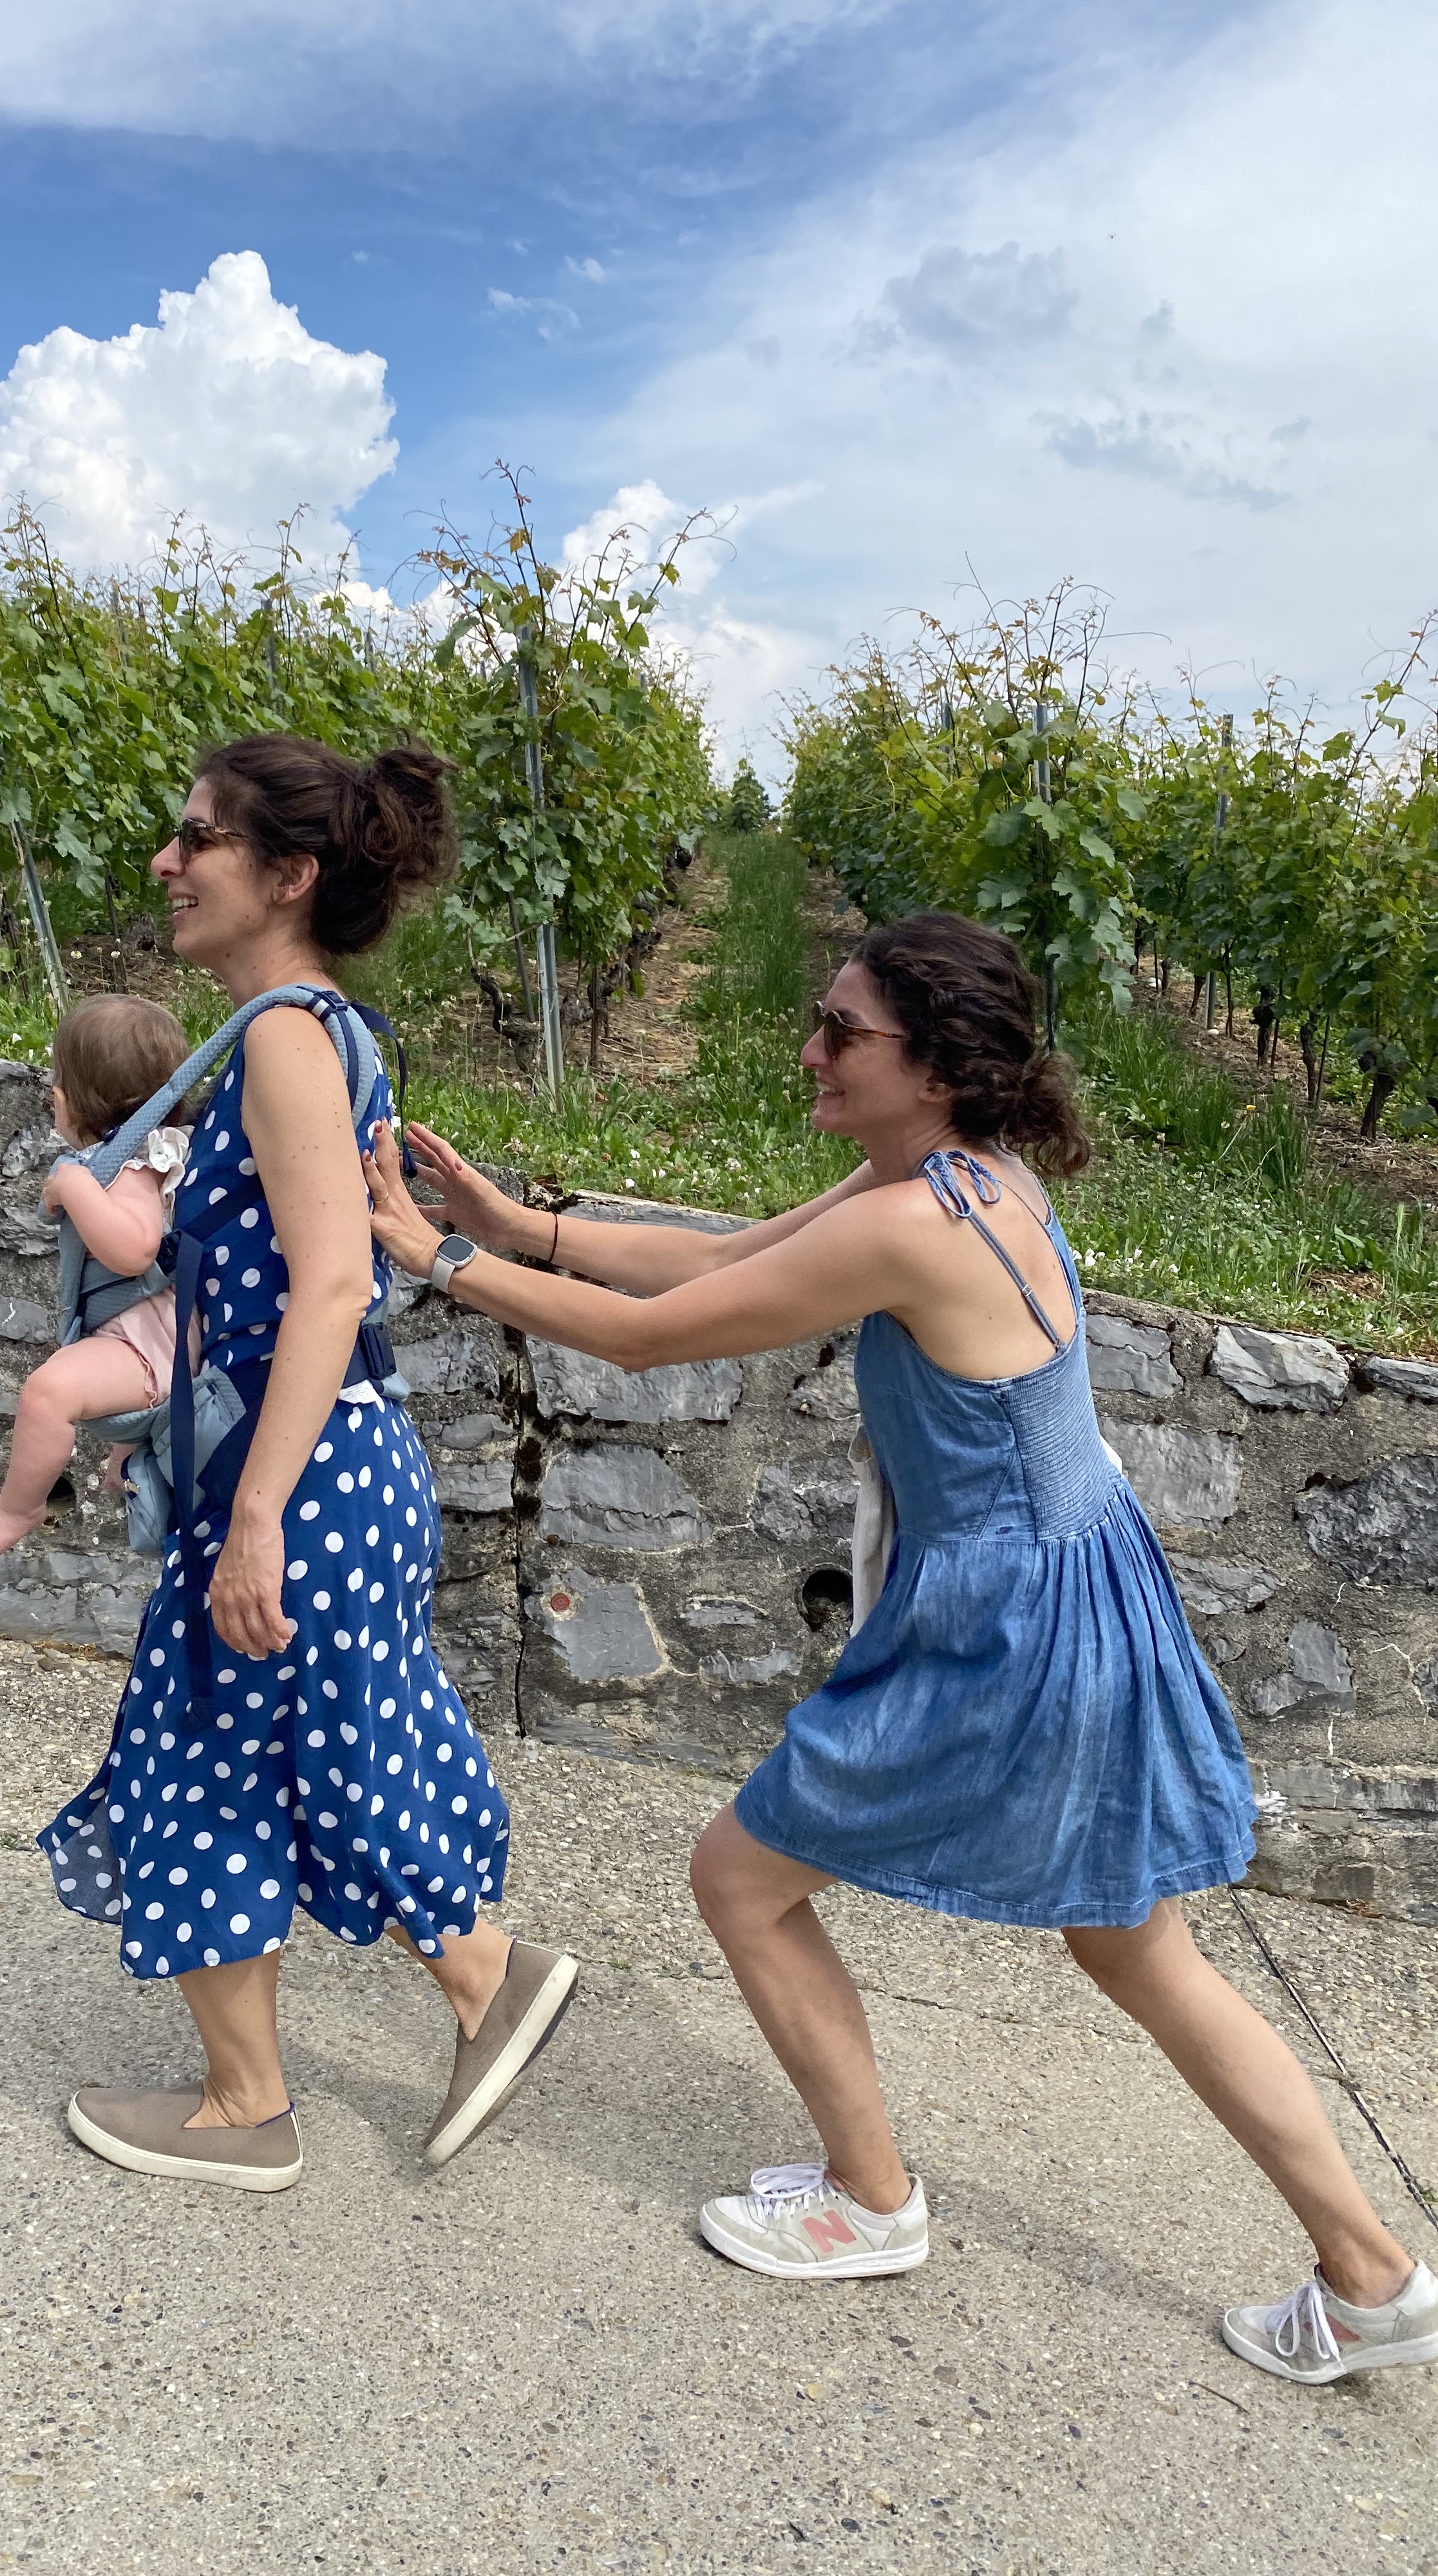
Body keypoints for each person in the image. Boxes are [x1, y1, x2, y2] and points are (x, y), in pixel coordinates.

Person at [361, 910, 1435, 2386]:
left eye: (840, 1032)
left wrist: (431, 1257)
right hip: (1084, 1595)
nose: (809, 1048)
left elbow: (653, 1339)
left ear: (935, 1063)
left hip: (1004, 1631)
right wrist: (515, 1227)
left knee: (740, 1877)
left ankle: (872, 2203)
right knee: (1140, 1949)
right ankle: (1372, 2275)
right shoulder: (964, 1179)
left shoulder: (910, 1221)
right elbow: (722, 1255)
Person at [41, 736, 578, 2192]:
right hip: (311, 1463)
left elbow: (334, 1287)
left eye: (196, 837)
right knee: (246, 1755)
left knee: (286, 1752)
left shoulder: (286, 1036)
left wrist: (258, 1514)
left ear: (287, 876)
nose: (167, 861)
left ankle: (467, 1990)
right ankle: (254, 2092)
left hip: (310, 1472)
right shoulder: (311, 1030)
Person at [0, 995, 193, 1570]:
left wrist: (71, 1185)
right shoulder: (146, 1156)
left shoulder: (132, 1164)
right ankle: (130, 1452)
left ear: (72, 1097)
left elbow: (136, 1252)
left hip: (151, 1348)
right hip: (154, 1341)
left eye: (58, 1078)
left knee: (48, 1393)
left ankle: (18, 1508)